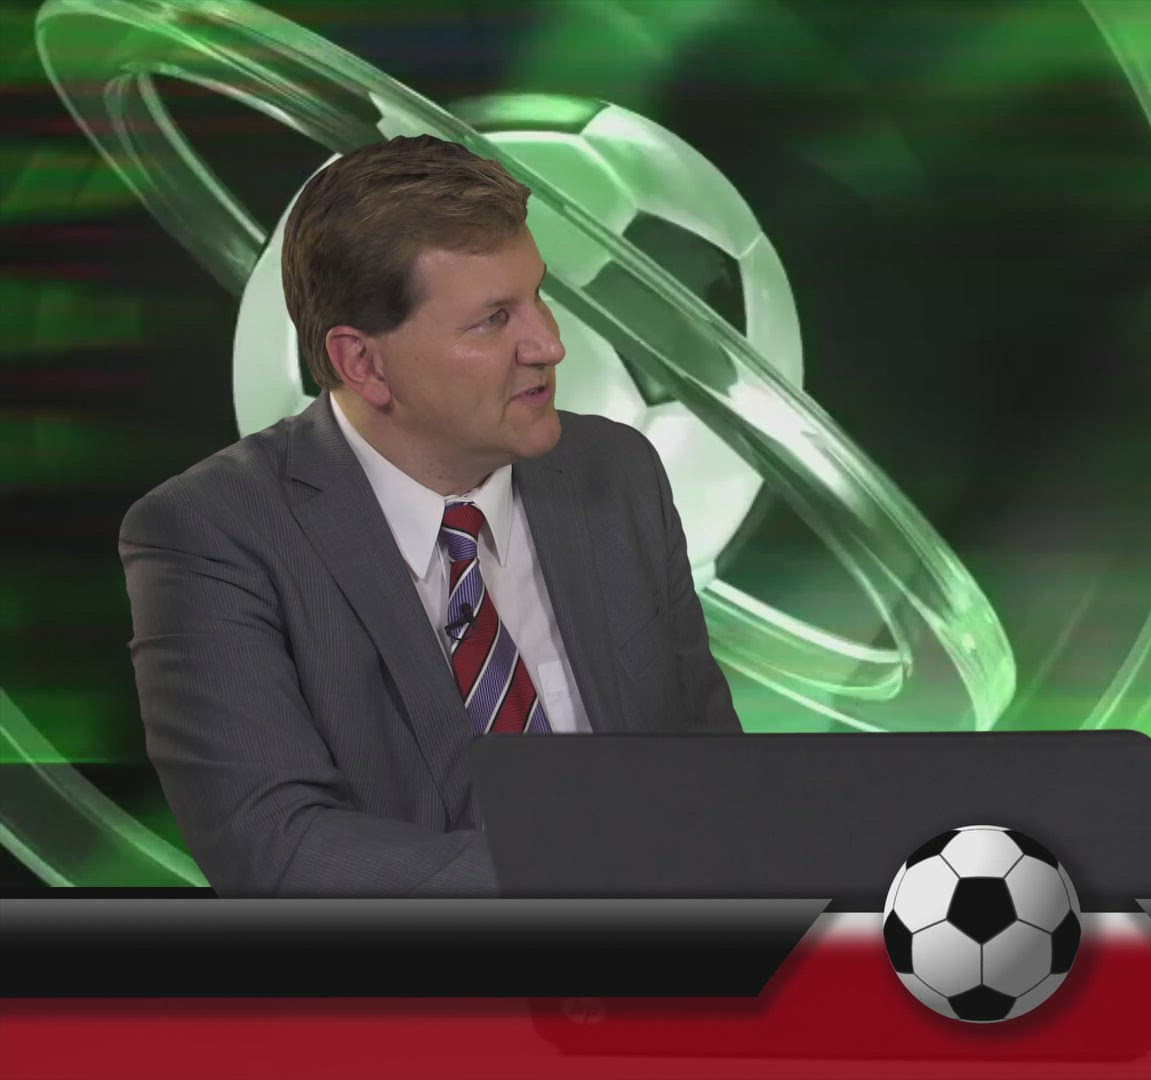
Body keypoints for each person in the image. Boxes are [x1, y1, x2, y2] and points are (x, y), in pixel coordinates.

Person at [120, 135, 740, 897]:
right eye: (494, 320)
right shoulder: (213, 534)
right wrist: (586, 882)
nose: (550, 344)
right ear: (363, 364)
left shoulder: (617, 472)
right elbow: (274, 849)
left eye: (538, 295)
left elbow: (710, 766)